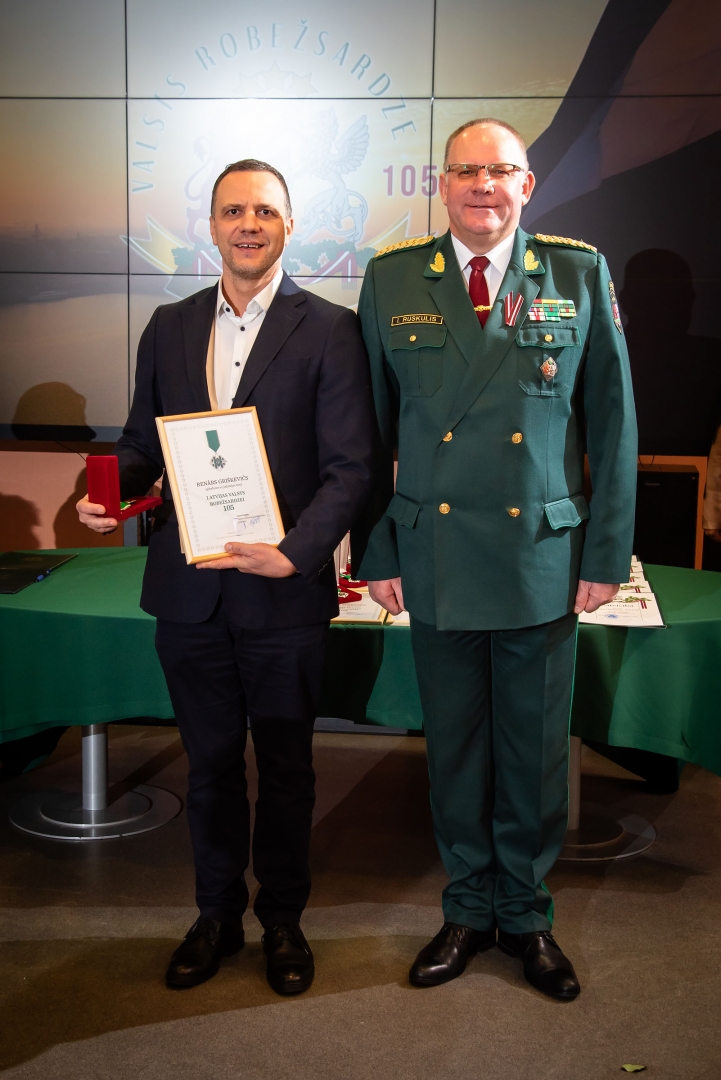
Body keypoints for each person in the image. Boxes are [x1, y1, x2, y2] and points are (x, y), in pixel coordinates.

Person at [77, 159, 375, 995]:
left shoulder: (331, 329)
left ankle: (282, 919)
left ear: (289, 226)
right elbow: (143, 442)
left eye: (265, 212)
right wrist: (109, 494)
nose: (249, 224)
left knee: (286, 769)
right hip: (190, 592)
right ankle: (215, 915)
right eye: (233, 210)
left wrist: (296, 551)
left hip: (282, 588)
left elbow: (351, 467)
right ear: (210, 225)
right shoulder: (168, 325)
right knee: (207, 767)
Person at [355, 119, 637, 1000]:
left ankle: (525, 914)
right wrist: (376, 548)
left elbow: (613, 425)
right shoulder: (393, 277)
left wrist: (605, 554)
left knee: (532, 752)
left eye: (500, 170)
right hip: (435, 552)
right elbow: (366, 434)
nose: (483, 185)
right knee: (454, 749)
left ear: (527, 184)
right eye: (466, 170)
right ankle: (466, 909)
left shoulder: (576, 273)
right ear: (441, 185)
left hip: (539, 556)